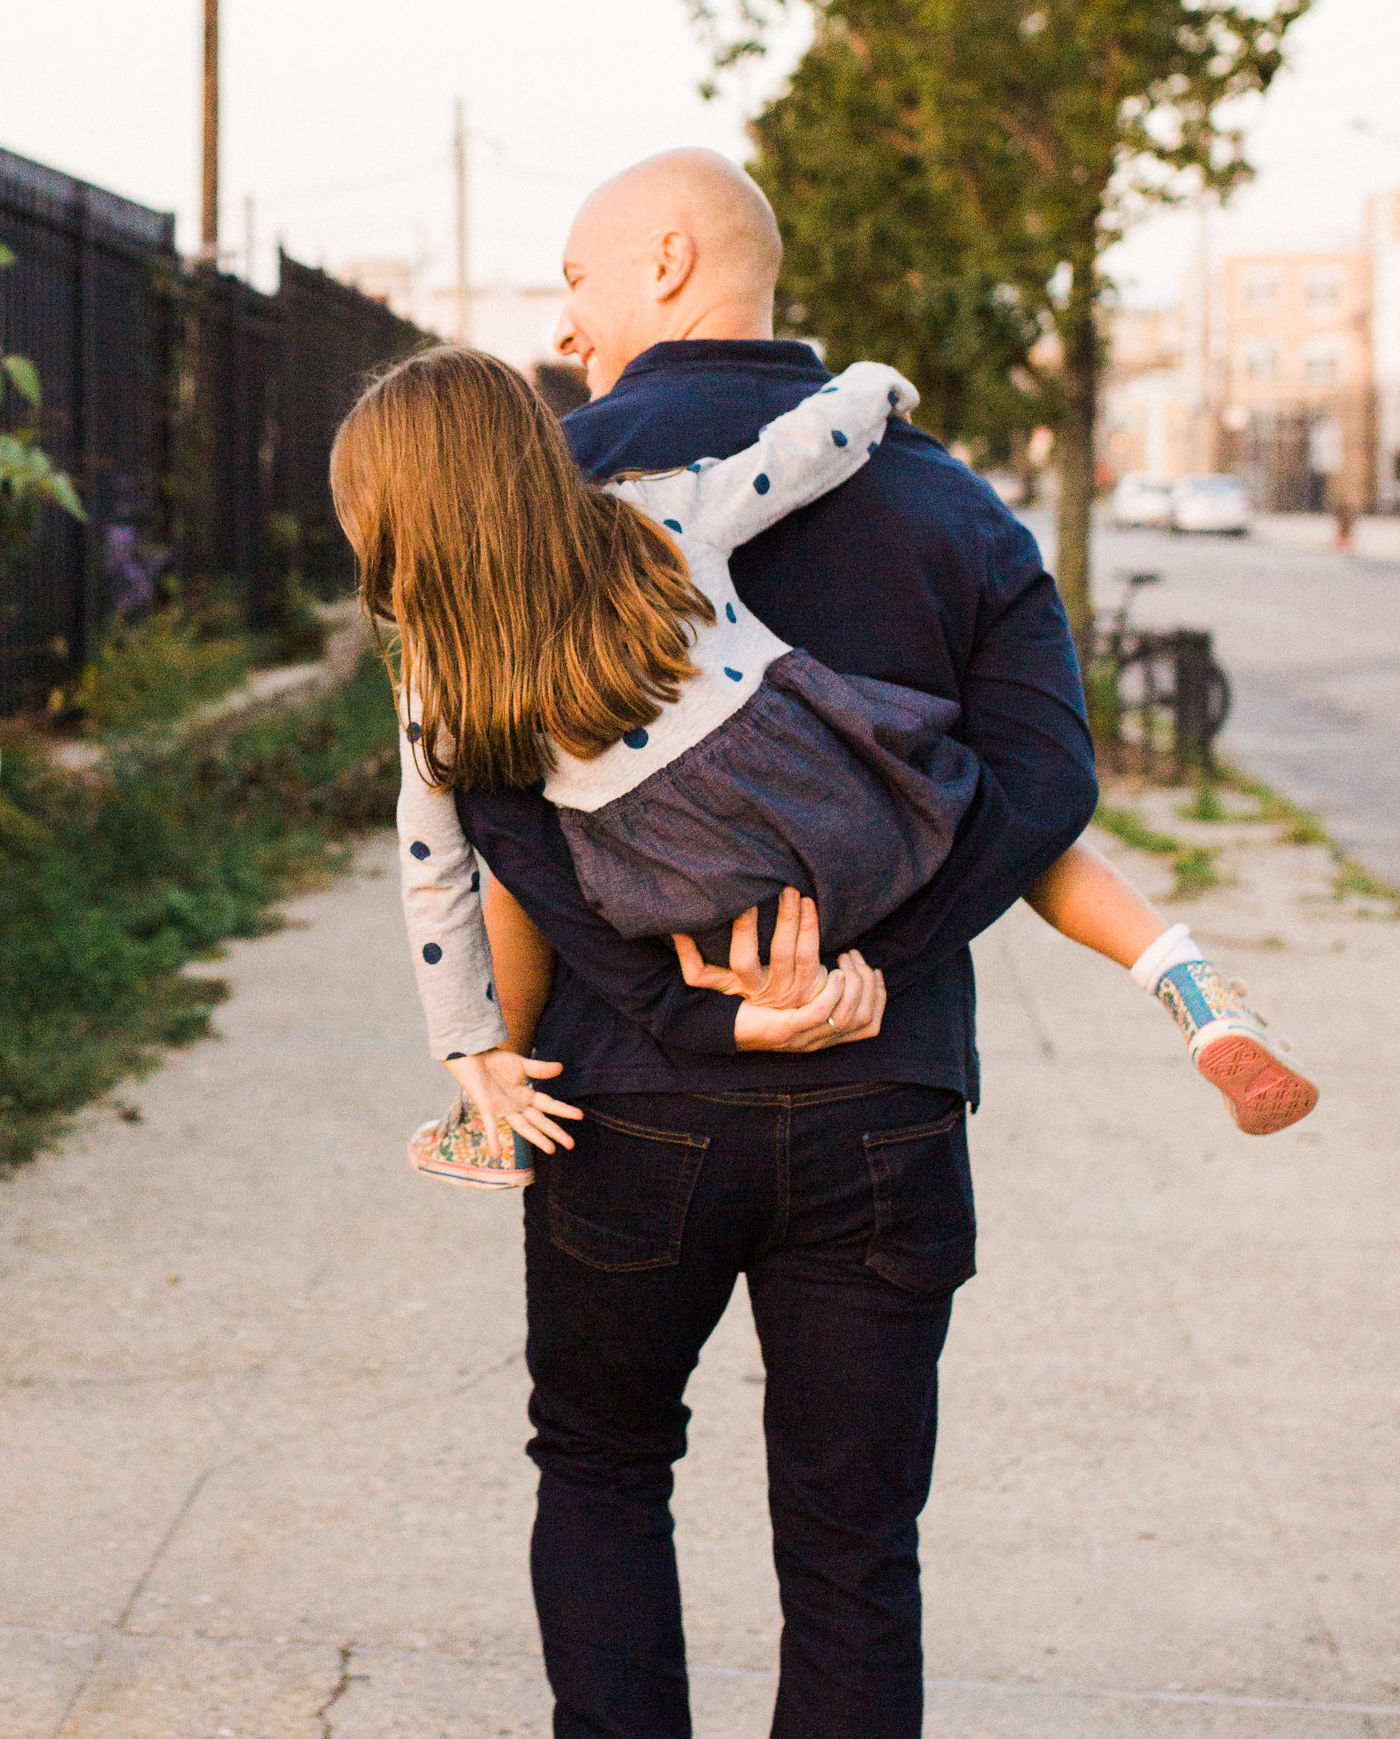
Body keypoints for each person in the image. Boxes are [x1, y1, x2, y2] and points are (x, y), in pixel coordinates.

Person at [431, 149, 1149, 1739]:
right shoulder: (949, 500)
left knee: (601, 1459)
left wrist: (683, 1003)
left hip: (631, 1102)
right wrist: (869, 963)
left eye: (578, 274)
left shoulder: (549, 500)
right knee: (855, 1563)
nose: (565, 320)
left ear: (668, 256)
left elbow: (498, 804)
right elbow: (1047, 782)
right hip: (881, 1119)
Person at [330, 346, 1314, 1191]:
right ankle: (1183, 978)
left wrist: (465, 1038)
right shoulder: (650, 515)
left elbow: (433, 870)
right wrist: (872, 388)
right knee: (1004, 827)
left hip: (691, 892)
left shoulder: (440, 686)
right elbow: (792, 461)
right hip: (840, 793)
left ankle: (496, 1101)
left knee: (512, 845)